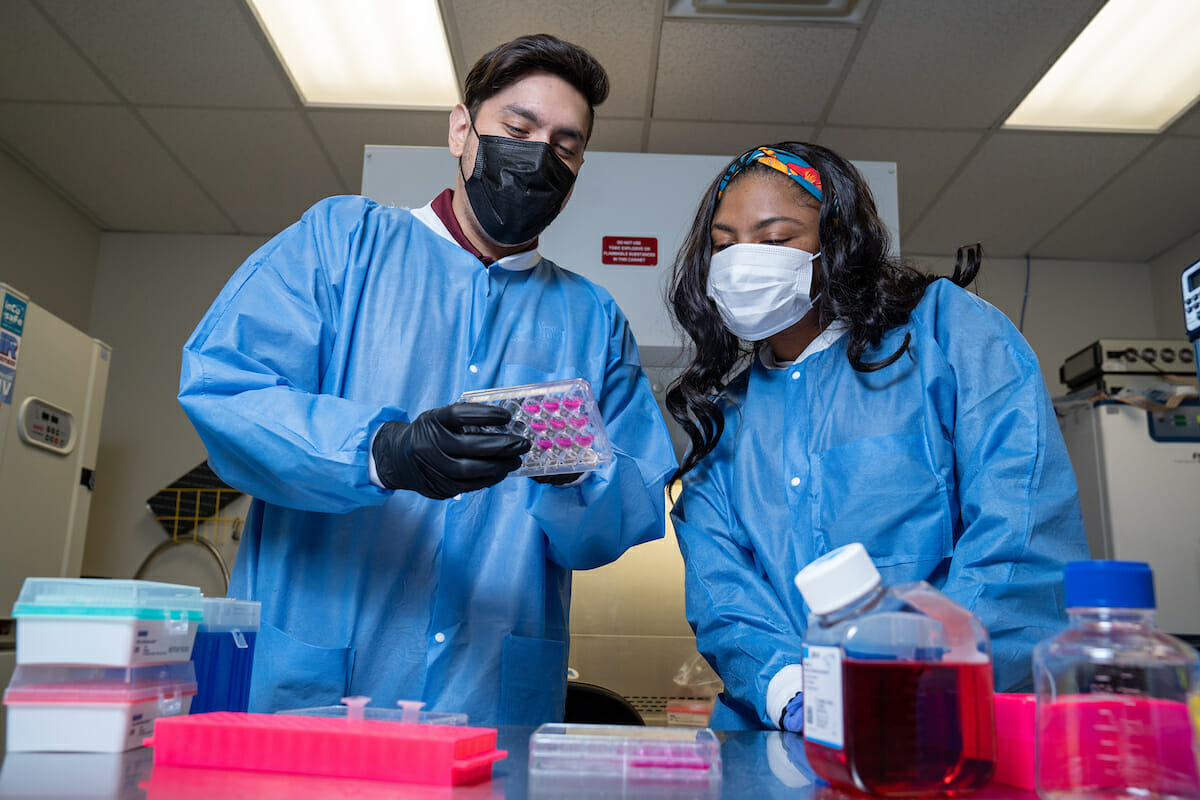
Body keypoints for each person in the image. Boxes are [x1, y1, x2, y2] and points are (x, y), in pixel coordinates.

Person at [178, 34, 677, 727]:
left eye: (564, 145)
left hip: (488, 698)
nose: (537, 156)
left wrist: (574, 477)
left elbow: (624, 513)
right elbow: (224, 390)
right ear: (461, 128)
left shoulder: (591, 322)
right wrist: (382, 452)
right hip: (316, 691)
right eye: (517, 127)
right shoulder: (342, 243)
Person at [664, 142, 1088, 731]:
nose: (743, 261)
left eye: (777, 238)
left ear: (835, 241)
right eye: (725, 244)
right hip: (780, 740)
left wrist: (929, 681)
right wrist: (794, 695)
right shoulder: (725, 416)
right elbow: (721, 588)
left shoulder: (947, 335)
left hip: (949, 720)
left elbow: (1021, 528)